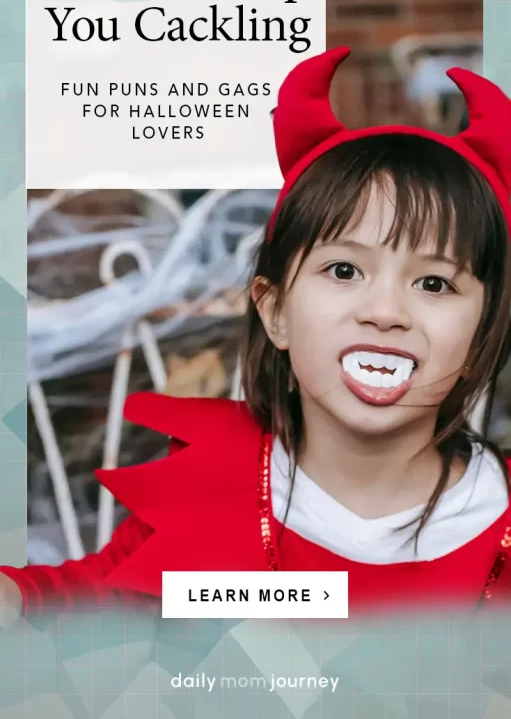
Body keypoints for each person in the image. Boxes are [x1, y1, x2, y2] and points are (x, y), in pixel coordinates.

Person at [2, 45, 511, 620]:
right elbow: (98, 596)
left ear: (483, 332)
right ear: (276, 313)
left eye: (435, 284)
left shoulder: (502, 520)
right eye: (343, 270)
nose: (385, 310)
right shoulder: (211, 491)